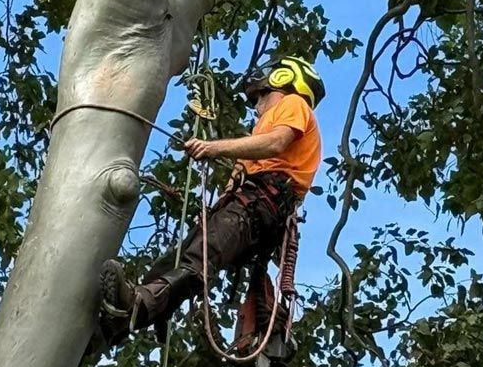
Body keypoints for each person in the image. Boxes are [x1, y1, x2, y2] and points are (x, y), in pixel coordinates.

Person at [97, 55, 324, 347]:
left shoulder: (293, 105)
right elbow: (240, 173)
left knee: (198, 262)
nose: (257, 108)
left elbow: (276, 142)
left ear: (280, 81)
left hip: (260, 204)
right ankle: (113, 326)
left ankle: (137, 307)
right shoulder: (259, 133)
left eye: (259, 97)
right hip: (246, 204)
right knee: (175, 259)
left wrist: (213, 148)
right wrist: (214, 210)